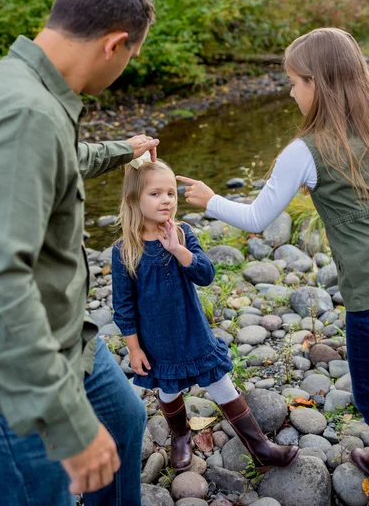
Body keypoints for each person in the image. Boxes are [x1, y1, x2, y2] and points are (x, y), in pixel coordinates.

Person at [0, 0, 159, 506]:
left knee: (123, 420)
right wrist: (67, 421)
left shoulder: (28, 89)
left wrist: (127, 149)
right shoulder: (23, 113)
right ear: (115, 45)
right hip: (18, 374)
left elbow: (63, 161)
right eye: (132, 57)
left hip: (69, 337)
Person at [176, 27, 369, 477]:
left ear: (316, 84)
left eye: (296, 82)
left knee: (367, 394)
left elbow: (257, 218)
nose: (290, 91)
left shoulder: (305, 150)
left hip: (366, 289)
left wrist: (210, 201)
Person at [111, 157, 299, 472]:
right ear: (133, 199)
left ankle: (260, 447)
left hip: (193, 334)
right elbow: (123, 305)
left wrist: (178, 250)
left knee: (222, 384)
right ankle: (181, 435)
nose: (166, 200)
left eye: (170, 193)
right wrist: (133, 347)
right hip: (157, 342)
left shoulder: (182, 233)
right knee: (168, 390)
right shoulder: (124, 250)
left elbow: (206, 274)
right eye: (155, 194)